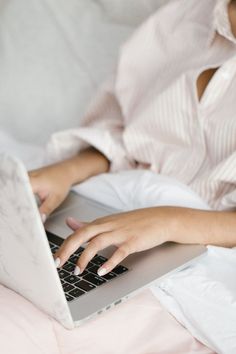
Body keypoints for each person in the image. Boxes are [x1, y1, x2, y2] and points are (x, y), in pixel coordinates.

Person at [30, 0, 236, 278]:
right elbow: (126, 138)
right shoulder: (182, 18)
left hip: (207, 258)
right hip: (112, 208)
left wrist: (168, 221)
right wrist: (66, 171)